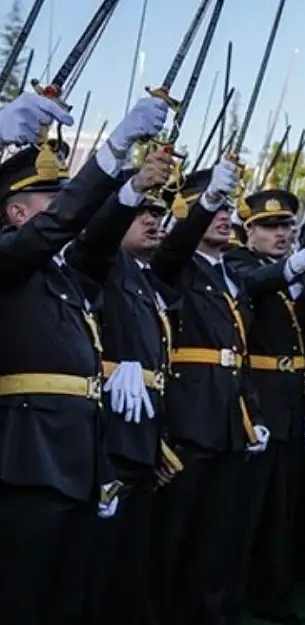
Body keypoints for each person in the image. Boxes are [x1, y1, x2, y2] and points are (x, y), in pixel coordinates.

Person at [0, 92, 168, 625]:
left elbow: (92, 242)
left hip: (78, 456)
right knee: (24, 599)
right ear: (16, 212)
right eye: (54, 198)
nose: (66, 207)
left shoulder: (63, 274)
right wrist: (111, 147)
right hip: (27, 458)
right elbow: (60, 228)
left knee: (68, 600)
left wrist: (132, 186)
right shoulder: (10, 257)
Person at [64, 151, 179, 625]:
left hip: (143, 425)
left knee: (130, 551)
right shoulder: (100, 261)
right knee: (99, 554)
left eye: (157, 214)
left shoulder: (143, 277)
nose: (152, 222)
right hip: (107, 425)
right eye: (141, 214)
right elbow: (94, 243)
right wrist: (127, 190)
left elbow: (180, 248)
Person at [151, 158, 267, 625]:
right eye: (209, 207)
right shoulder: (176, 263)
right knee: (174, 533)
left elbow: (240, 352)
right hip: (189, 414)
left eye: (225, 208)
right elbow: (173, 248)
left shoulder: (230, 273)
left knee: (218, 535)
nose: (223, 216)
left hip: (228, 416)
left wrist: (250, 411)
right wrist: (205, 204)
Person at [224, 188, 305, 624]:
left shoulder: (289, 271)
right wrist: (300, 263)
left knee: (282, 508)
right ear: (249, 232)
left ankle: (275, 595)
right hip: (257, 396)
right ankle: (233, 597)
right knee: (245, 509)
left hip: (290, 396)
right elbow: (255, 284)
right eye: (270, 227)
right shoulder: (239, 262)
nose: (282, 233)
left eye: (287, 225)